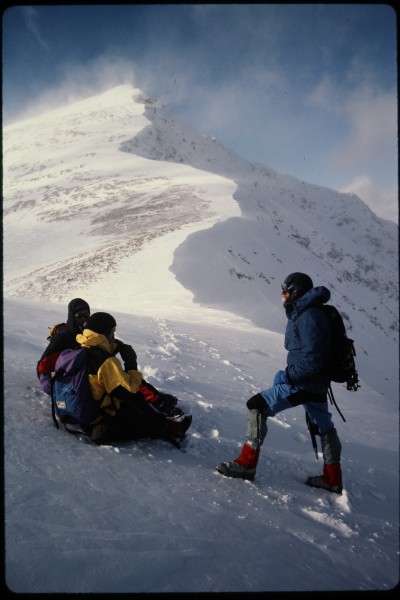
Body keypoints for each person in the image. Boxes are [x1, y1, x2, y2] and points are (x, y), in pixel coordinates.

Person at [217, 272, 343, 494]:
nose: (282, 296)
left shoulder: (309, 316)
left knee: (256, 406)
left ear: (296, 292)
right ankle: (332, 479)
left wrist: (290, 377)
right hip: (316, 383)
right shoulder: (305, 313)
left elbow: (312, 359)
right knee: (325, 427)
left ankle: (246, 465)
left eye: (285, 292)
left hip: (304, 384)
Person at [37, 298, 182, 420]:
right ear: (71, 317)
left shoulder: (88, 334)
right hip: (73, 384)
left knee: (119, 376)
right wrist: (55, 390)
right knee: (121, 384)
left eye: (87, 316)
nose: (84, 320)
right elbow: (42, 366)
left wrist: (122, 348)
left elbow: (105, 344)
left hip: (87, 378)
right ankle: (158, 408)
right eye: (79, 316)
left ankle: (156, 399)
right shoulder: (62, 338)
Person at [75, 312, 191, 445]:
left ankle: (162, 408)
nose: (114, 336)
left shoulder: (82, 347)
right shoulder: (107, 362)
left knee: (126, 386)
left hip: (80, 413)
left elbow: (98, 359)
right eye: (112, 332)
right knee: (135, 401)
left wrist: (115, 347)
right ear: (104, 333)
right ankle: (168, 429)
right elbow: (131, 391)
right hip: (98, 419)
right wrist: (131, 362)